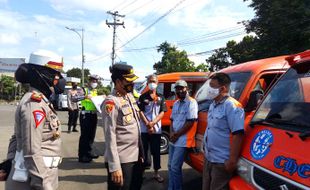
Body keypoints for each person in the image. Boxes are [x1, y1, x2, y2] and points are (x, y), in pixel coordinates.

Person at [5, 50, 66, 190]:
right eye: (55, 73)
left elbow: (17, 136)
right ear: (41, 74)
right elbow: (32, 150)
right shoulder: (34, 104)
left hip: (39, 173)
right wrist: (43, 184)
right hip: (34, 179)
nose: (58, 79)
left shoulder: (42, 102)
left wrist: (9, 161)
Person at [101, 64, 144, 190]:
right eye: (129, 81)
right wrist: (114, 167)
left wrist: (141, 153)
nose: (132, 84)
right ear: (118, 81)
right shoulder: (111, 102)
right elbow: (110, 136)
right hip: (122, 160)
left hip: (135, 157)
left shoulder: (129, 96)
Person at [202, 72, 244, 190]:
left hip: (221, 162)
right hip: (209, 158)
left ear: (222, 88)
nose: (209, 89)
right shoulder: (213, 104)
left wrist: (231, 161)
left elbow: (238, 135)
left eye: (212, 86)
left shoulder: (232, 106)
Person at [168, 80, 198, 190]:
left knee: (175, 167)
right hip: (173, 139)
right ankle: (171, 188)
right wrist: (171, 133)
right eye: (177, 88)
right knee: (170, 166)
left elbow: (190, 122)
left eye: (181, 88)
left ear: (187, 88)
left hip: (183, 140)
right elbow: (172, 120)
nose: (179, 90)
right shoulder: (176, 103)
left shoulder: (192, 102)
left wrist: (176, 135)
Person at [138, 74, 166, 183]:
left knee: (156, 152)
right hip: (144, 130)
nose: (151, 83)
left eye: (153, 81)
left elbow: (162, 112)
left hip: (156, 130)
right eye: (149, 81)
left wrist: (153, 123)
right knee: (143, 152)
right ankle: (142, 173)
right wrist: (147, 124)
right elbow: (140, 111)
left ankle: (156, 173)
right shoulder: (142, 97)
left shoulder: (160, 97)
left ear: (157, 83)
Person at [78, 74, 100, 163]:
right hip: (85, 115)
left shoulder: (95, 91)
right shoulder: (83, 90)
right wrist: (85, 96)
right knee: (85, 136)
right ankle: (82, 155)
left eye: (96, 81)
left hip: (93, 115)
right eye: (93, 81)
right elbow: (74, 98)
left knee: (91, 135)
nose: (95, 82)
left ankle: (88, 152)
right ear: (89, 81)